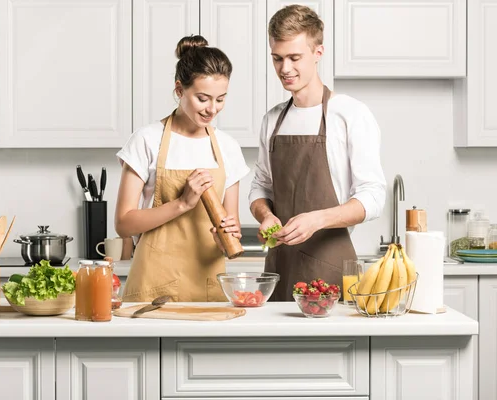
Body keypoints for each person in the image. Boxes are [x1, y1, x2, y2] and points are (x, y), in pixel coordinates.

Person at [249, 5, 386, 301]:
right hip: (278, 269)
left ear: (318, 53)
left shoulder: (349, 114)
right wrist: (265, 215)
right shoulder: (272, 120)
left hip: (330, 270)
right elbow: (261, 186)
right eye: (277, 58)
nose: (285, 69)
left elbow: (374, 197)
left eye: (294, 58)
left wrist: (317, 219)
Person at [116, 35, 250, 302]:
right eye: (203, 98)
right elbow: (123, 224)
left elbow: (228, 232)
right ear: (179, 90)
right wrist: (182, 204)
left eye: (221, 99)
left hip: (208, 288)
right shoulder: (147, 139)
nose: (212, 109)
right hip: (154, 288)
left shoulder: (228, 147)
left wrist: (227, 235)